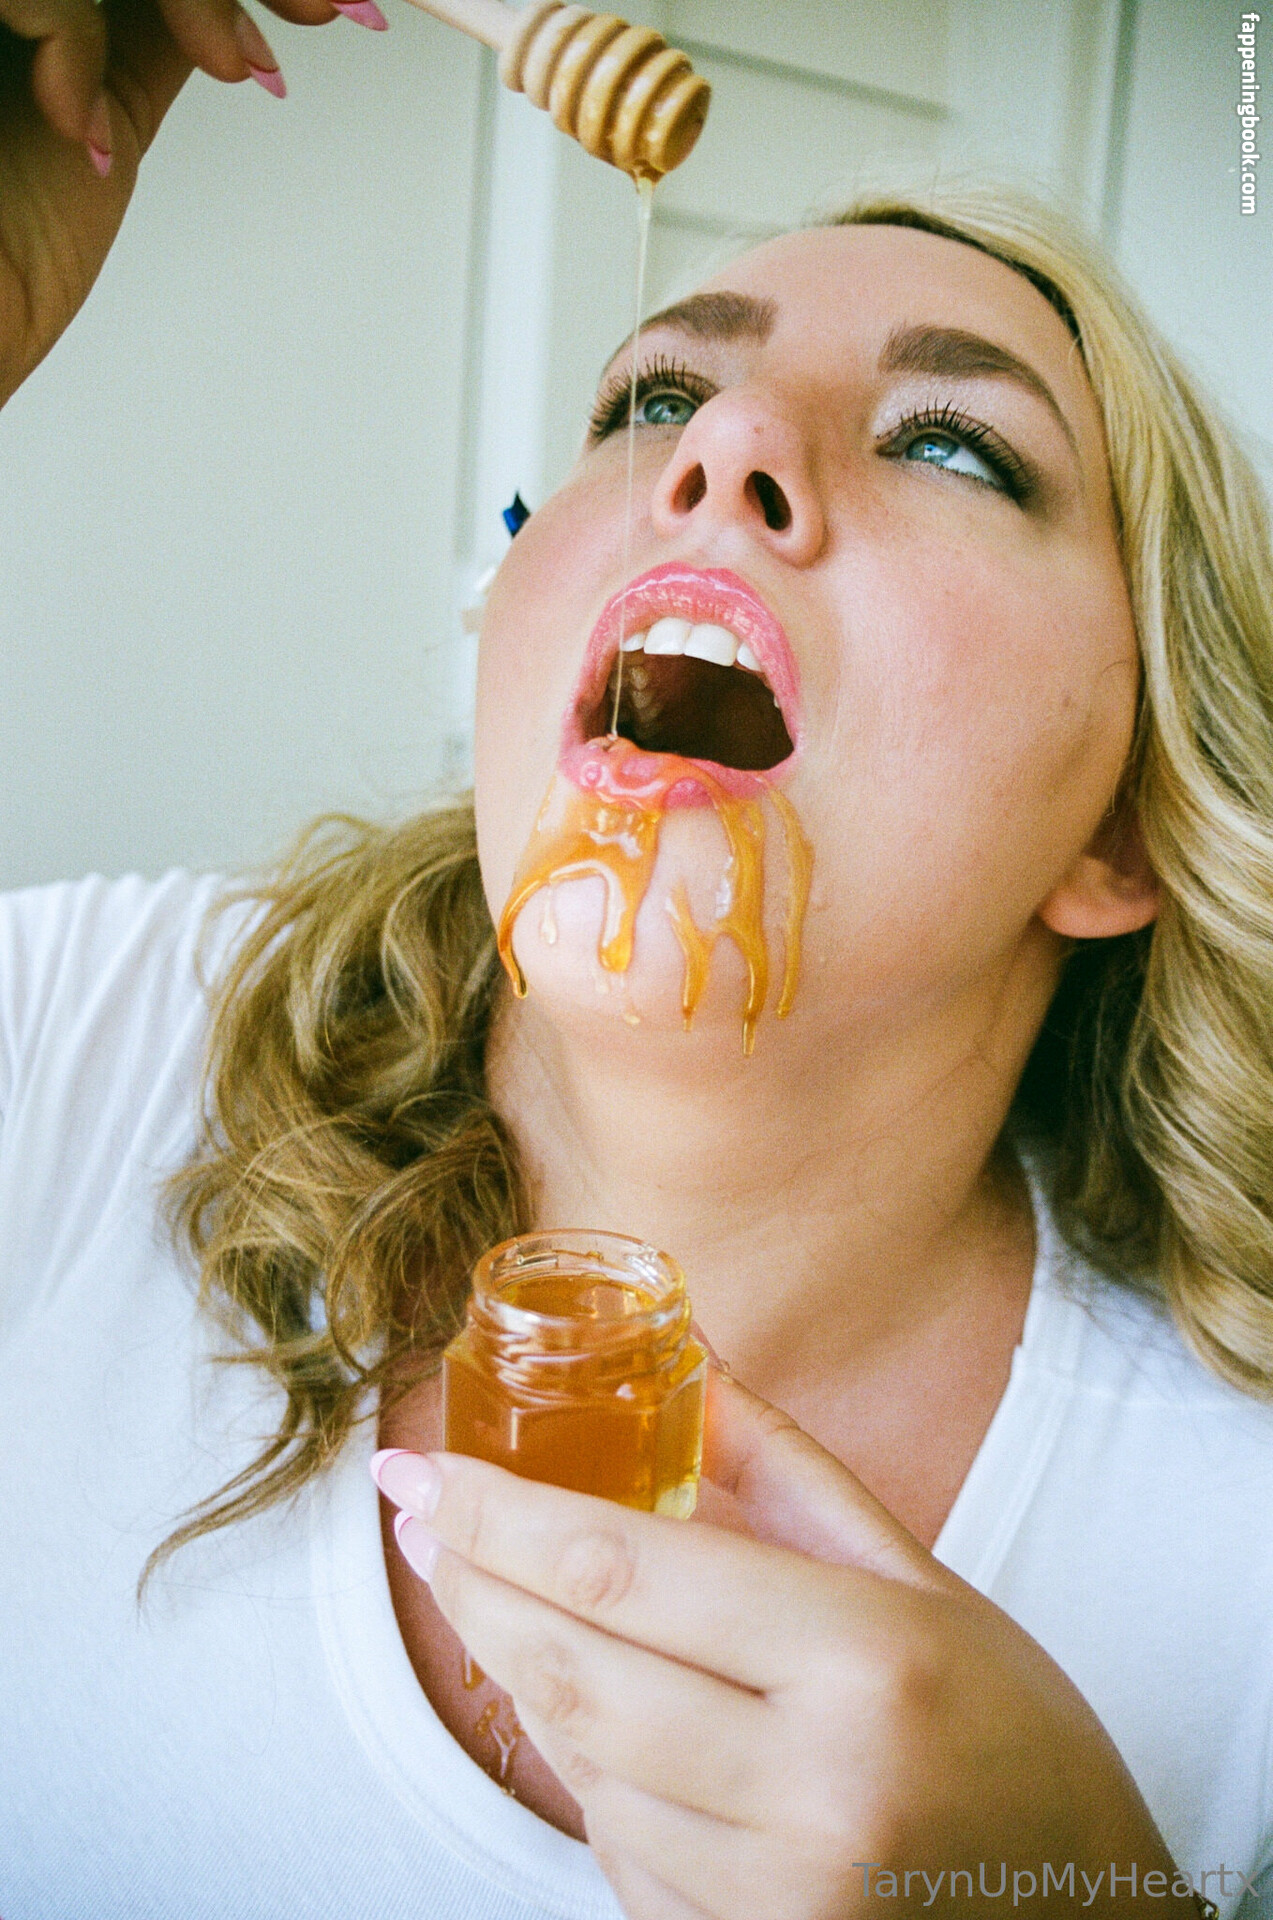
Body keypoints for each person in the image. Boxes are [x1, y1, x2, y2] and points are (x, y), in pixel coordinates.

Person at [2, 2, 1271, 1917]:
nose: (727, 442)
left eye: (950, 442)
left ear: (1127, 826)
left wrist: (1095, 1899)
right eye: (652, 400)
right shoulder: (77, 1058)